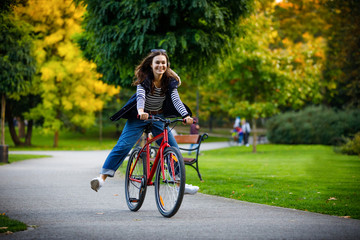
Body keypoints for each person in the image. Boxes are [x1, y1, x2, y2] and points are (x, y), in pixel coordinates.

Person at [90, 49, 199, 194]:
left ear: (167, 65)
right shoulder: (144, 79)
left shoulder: (170, 81)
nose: (160, 65)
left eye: (163, 63)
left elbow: (176, 99)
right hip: (140, 117)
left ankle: (179, 184)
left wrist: (185, 115)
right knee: (123, 145)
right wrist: (141, 112)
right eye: (157, 63)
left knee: (172, 148)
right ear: (151, 65)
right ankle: (101, 178)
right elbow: (140, 97)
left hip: (159, 117)